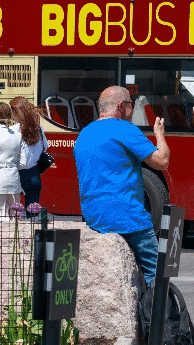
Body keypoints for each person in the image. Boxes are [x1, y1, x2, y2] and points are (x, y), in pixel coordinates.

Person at [73, 85, 170, 282]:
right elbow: (162, 161)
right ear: (121, 106)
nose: (132, 110)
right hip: (128, 218)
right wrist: (159, 133)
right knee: (158, 273)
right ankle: (157, 311)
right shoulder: (124, 129)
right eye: (131, 105)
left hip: (94, 219)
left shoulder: (84, 134)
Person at [11, 95, 50, 211]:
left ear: (16, 112)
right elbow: (45, 148)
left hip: (18, 174)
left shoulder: (14, 130)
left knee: (14, 211)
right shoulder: (39, 128)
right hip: (34, 174)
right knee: (33, 212)